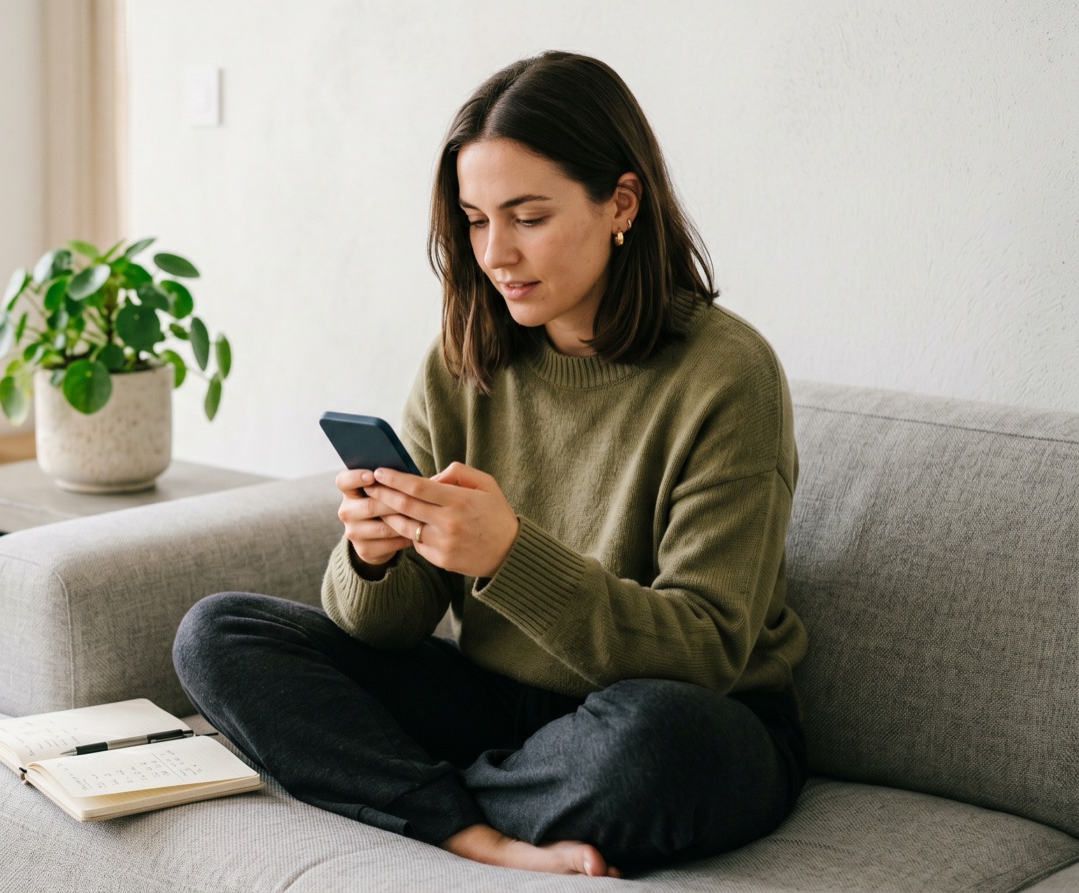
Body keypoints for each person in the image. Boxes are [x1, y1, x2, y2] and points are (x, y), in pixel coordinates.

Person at [172, 50, 809, 878]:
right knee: (217, 633)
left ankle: (399, 794)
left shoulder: (729, 375)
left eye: (528, 216)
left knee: (658, 749)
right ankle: (474, 834)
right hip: (500, 706)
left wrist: (510, 557)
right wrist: (373, 553)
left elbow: (709, 647)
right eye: (474, 220)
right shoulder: (465, 358)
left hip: (681, 711)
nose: (495, 252)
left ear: (621, 202)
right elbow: (383, 628)